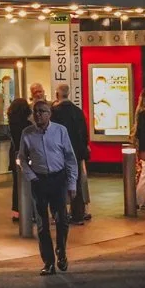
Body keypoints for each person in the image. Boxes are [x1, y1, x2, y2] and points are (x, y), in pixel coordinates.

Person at [16, 99, 77, 275]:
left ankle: (61, 250)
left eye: (42, 111)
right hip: (39, 180)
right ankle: (48, 261)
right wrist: (32, 177)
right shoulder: (27, 133)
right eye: (35, 111)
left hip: (58, 179)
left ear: (49, 114)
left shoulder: (60, 131)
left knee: (62, 219)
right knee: (42, 224)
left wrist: (72, 183)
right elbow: (22, 158)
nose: (38, 115)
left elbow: (70, 158)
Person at [50, 83, 92, 224]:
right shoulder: (77, 111)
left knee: (58, 184)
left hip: (59, 153)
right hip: (76, 153)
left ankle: (60, 214)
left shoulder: (55, 112)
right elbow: (84, 133)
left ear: (57, 95)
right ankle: (78, 214)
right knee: (76, 183)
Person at [6, 90, 33, 221]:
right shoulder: (28, 126)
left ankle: (17, 210)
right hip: (27, 157)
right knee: (29, 183)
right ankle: (30, 210)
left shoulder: (11, 125)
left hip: (14, 155)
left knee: (16, 184)